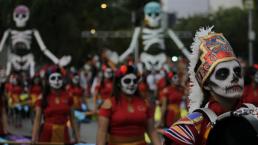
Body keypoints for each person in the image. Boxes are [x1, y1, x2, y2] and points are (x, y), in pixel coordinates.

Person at [162, 27, 255, 145]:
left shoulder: (253, 113)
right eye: (223, 73)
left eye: (237, 71)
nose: (234, 77)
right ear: (206, 84)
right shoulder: (191, 128)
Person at [96, 64, 162, 145]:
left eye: (134, 81)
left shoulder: (145, 103)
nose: (131, 84)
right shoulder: (109, 104)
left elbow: (152, 131)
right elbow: (102, 133)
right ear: (119, 83)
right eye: (127, 81)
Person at [32, 66, 79, 144]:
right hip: (47, 134)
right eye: (53, 78)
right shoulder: (42, 97)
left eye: (59, 78)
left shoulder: (68, 96)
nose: (56, 80)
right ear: (48, 81)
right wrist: (34, 138)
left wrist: (77, 136)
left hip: (63, 133)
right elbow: (37, 119)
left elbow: (73, 118)